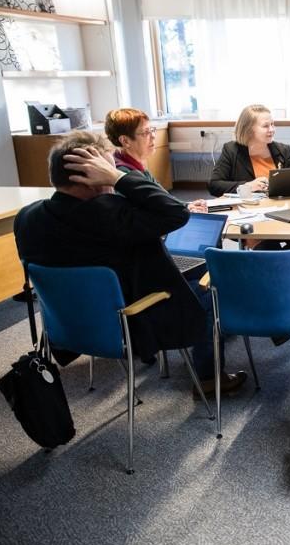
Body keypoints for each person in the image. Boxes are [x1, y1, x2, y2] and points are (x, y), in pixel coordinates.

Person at [14, 131, 246, 396]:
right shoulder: (109, 213)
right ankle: (209, 379)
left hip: (68, 325)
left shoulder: (26, 218)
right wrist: (118, 178)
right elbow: (176, 213)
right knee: (208, 291)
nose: (111, 176)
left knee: (192, 273)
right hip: (130, 320)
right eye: (106, 169)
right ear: (88, 175)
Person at [104, 107, 207, 213]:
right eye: (145, 132)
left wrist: (186, 205)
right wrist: (183, 209)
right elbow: (151, 209)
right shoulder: (123, 173)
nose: (153, 136)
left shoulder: (135, 164)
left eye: (152, 130)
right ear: (125, 141)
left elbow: (161, 196)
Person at [208, 104, 290, 197]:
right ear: (249, 129)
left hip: (279, 206)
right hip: (247, 208)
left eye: (272, 124)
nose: (272, 129)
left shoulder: (284, 150)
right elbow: (214, 185)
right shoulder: (231, 150)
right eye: (265, 126)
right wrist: (248, 186)